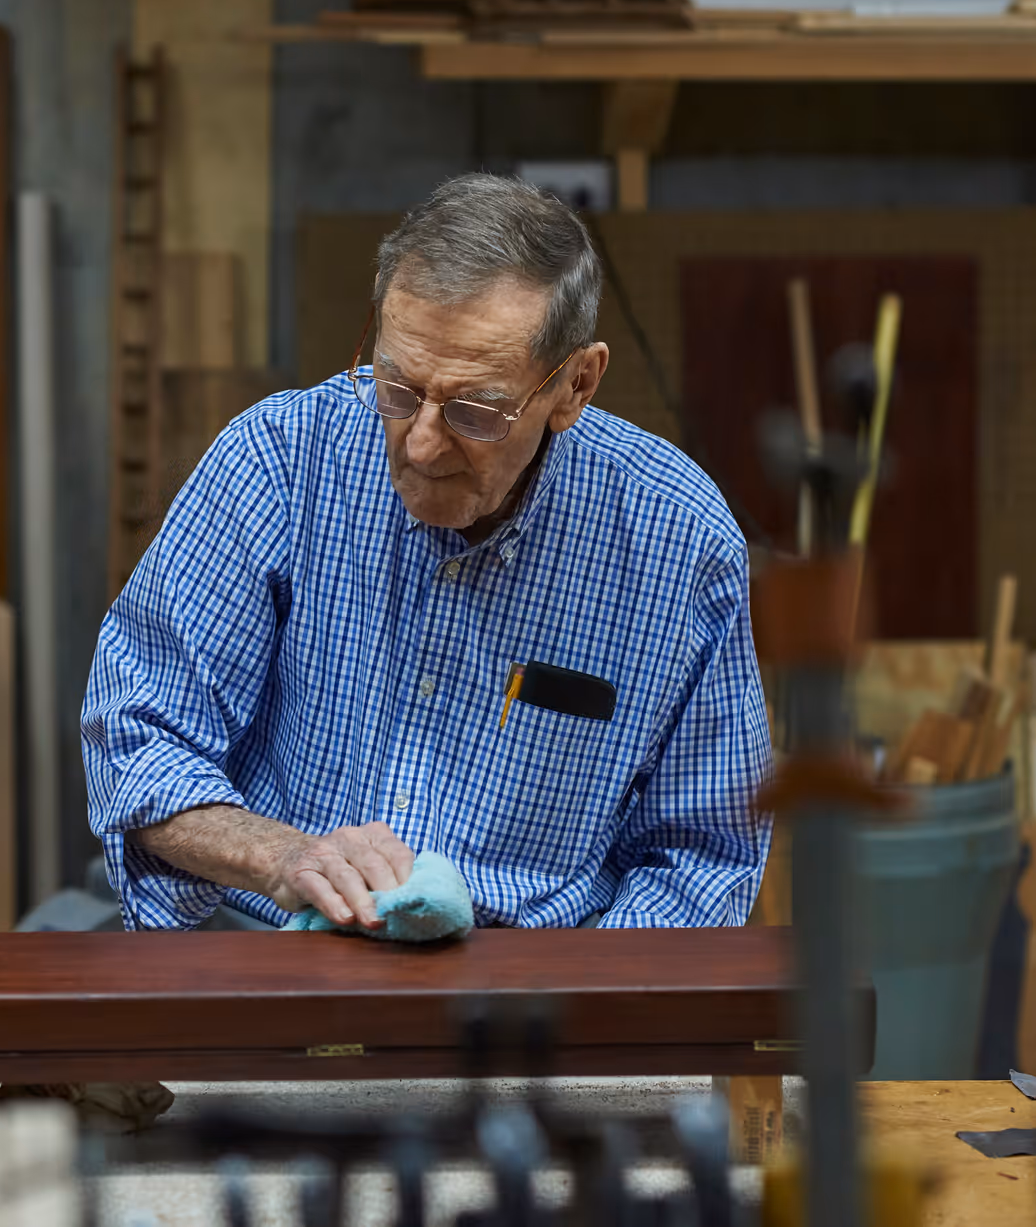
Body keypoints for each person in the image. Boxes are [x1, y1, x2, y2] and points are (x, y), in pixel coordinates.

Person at [82, 172, 771, 932]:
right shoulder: (279, 461)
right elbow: (137, 737)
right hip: (275, 946)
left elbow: (704, 850)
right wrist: (283, 857)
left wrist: (583, 1020)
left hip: (529, 989)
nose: (419, 442)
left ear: (576, 385)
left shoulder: (674, 539)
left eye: (475, 410)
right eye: (399, 388)